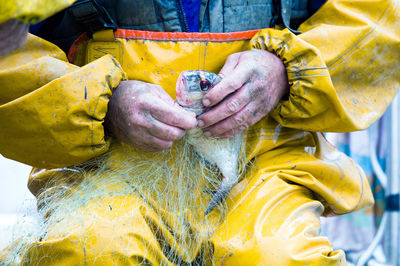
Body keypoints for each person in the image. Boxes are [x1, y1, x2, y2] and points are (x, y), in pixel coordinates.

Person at [1, 0, 399, 265]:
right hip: (108, 165)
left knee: (278, 255)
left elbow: (377, 16)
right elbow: (9, 46)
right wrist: (105, 106)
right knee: (93, 248)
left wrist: (282, 72)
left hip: (265, 160)